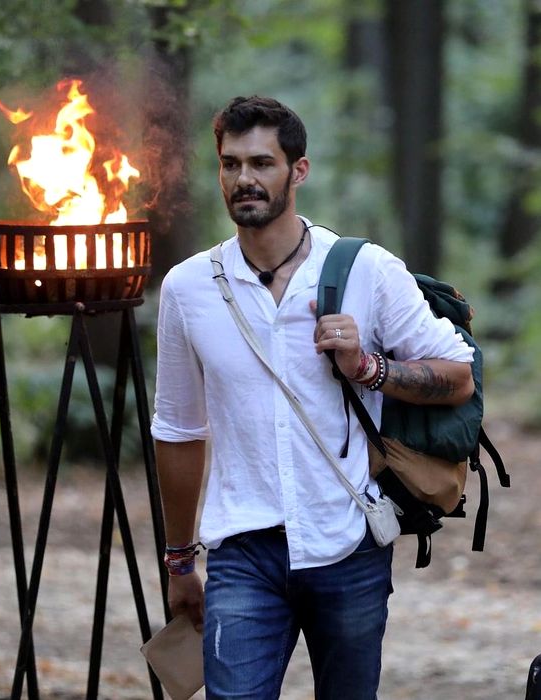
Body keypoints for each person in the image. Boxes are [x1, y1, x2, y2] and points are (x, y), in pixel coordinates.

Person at [150, 95, 475, 700]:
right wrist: (178, 561)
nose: (243, 179)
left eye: (261, 163)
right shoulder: (188, 288)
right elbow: (178, 430)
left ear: (298, 170)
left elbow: (458, 375)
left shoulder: (365, 269)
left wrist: (368, 368)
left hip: (347, 542)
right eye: (230, 164)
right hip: (242, 551)